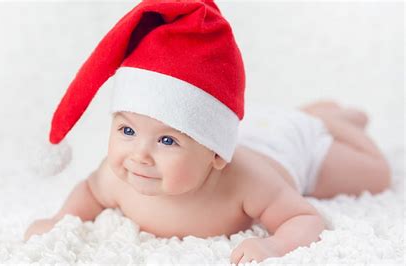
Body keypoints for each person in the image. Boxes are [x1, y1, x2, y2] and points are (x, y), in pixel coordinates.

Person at [24, 1, 391, 263]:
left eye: (168, 140)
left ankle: (329, 122)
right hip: (246, 122)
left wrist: (275, 247)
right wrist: (61, 219)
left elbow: (305, 218)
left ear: (216, 154)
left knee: (378, 175)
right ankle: (310, 112)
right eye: (127, 129)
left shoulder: (249, 183)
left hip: (291, 144)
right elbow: (90, 192)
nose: (139, 154)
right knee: (273, 119)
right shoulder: (116, 176)